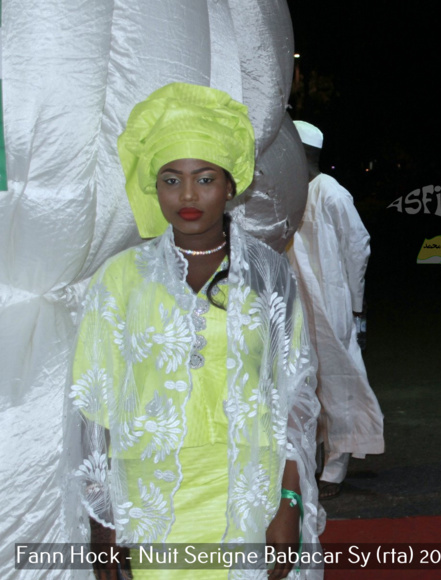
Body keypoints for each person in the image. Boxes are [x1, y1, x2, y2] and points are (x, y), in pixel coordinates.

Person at [62, 83, 322, 580]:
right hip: (152, 499)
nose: (186, 196)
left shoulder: (269, 274)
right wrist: (104, 523)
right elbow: (94, 412)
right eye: (170, 179)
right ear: (152, 188)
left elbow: (296, 395)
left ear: (231, 185)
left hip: (249, 487)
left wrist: (289, 502)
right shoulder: (120, 280)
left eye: (204, 179)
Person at [287, 121, 383, 501]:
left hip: (331, 305)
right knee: (300, 385)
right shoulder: (288, 193)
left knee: (338, 383)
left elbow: (358, 248)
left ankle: (336, 467)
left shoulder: (330, 192)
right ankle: (305, 462)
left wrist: (357, 309)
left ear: (303, 154)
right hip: (296, 305)